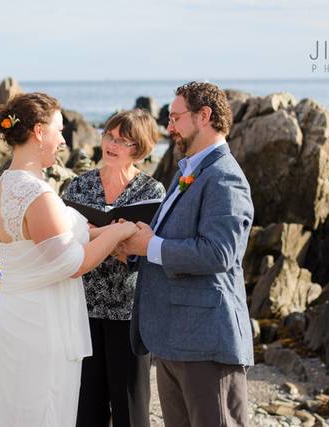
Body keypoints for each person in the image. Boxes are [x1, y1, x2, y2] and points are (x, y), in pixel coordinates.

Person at [0, 92, 138, 427]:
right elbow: (74, 264)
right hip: (42, 327)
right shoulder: (37, 195)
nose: (62, 139)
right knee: (46, 410)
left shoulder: (4, 185)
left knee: (17, 409)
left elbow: (54, 241)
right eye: (58, 130)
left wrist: (103, 232)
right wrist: (119, 232)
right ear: (39, 132)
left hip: (16, 316)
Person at [120, 82, 255, 427]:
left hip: (206, 342)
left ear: (204, 116)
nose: (169, 127)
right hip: (172, 340)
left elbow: (219, 252)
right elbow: (166, 240)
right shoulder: (190, 171)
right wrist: (132, 248)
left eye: (176, 118)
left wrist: (148, 246)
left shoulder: (225, 177)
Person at [62, 109, 166, 427]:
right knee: (85, 408)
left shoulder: (152, 193)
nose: (111, 143)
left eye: (122, 140)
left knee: (130, 409)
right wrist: (116, 236)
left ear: (140, 148)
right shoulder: (77, 188)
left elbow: (149, 251)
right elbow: (62, 245)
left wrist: (97, 236)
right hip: (81, 308)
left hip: (129, 312)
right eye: (109, 135)